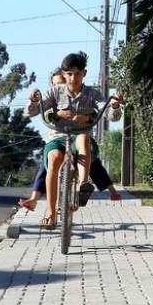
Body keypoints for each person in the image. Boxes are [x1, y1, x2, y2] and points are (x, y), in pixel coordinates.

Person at [25, 52, 122, 228]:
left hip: (82, 138)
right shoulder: (55, 92)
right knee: (54, 158)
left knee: (83, 138)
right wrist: (33, 100)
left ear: (84, 73)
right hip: (58, 137)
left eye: (77, 74)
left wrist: (114, 105)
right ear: (64, 75)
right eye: (69, 74)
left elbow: (109, 114)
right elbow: (31, 112)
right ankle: (50, 212)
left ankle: (83, 185)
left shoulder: (93, 94)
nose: (73, 78)